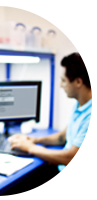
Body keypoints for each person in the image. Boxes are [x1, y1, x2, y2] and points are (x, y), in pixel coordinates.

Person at [8, 52, 93, 196]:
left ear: (78, 82)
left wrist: (31, 147)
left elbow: (71, 158)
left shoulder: (93, 116)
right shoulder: (80, 105)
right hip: (65, 171)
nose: (60, 85)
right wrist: (35, 140)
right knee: (15, 189)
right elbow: (63, 137)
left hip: (80, 182)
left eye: (64, 81)